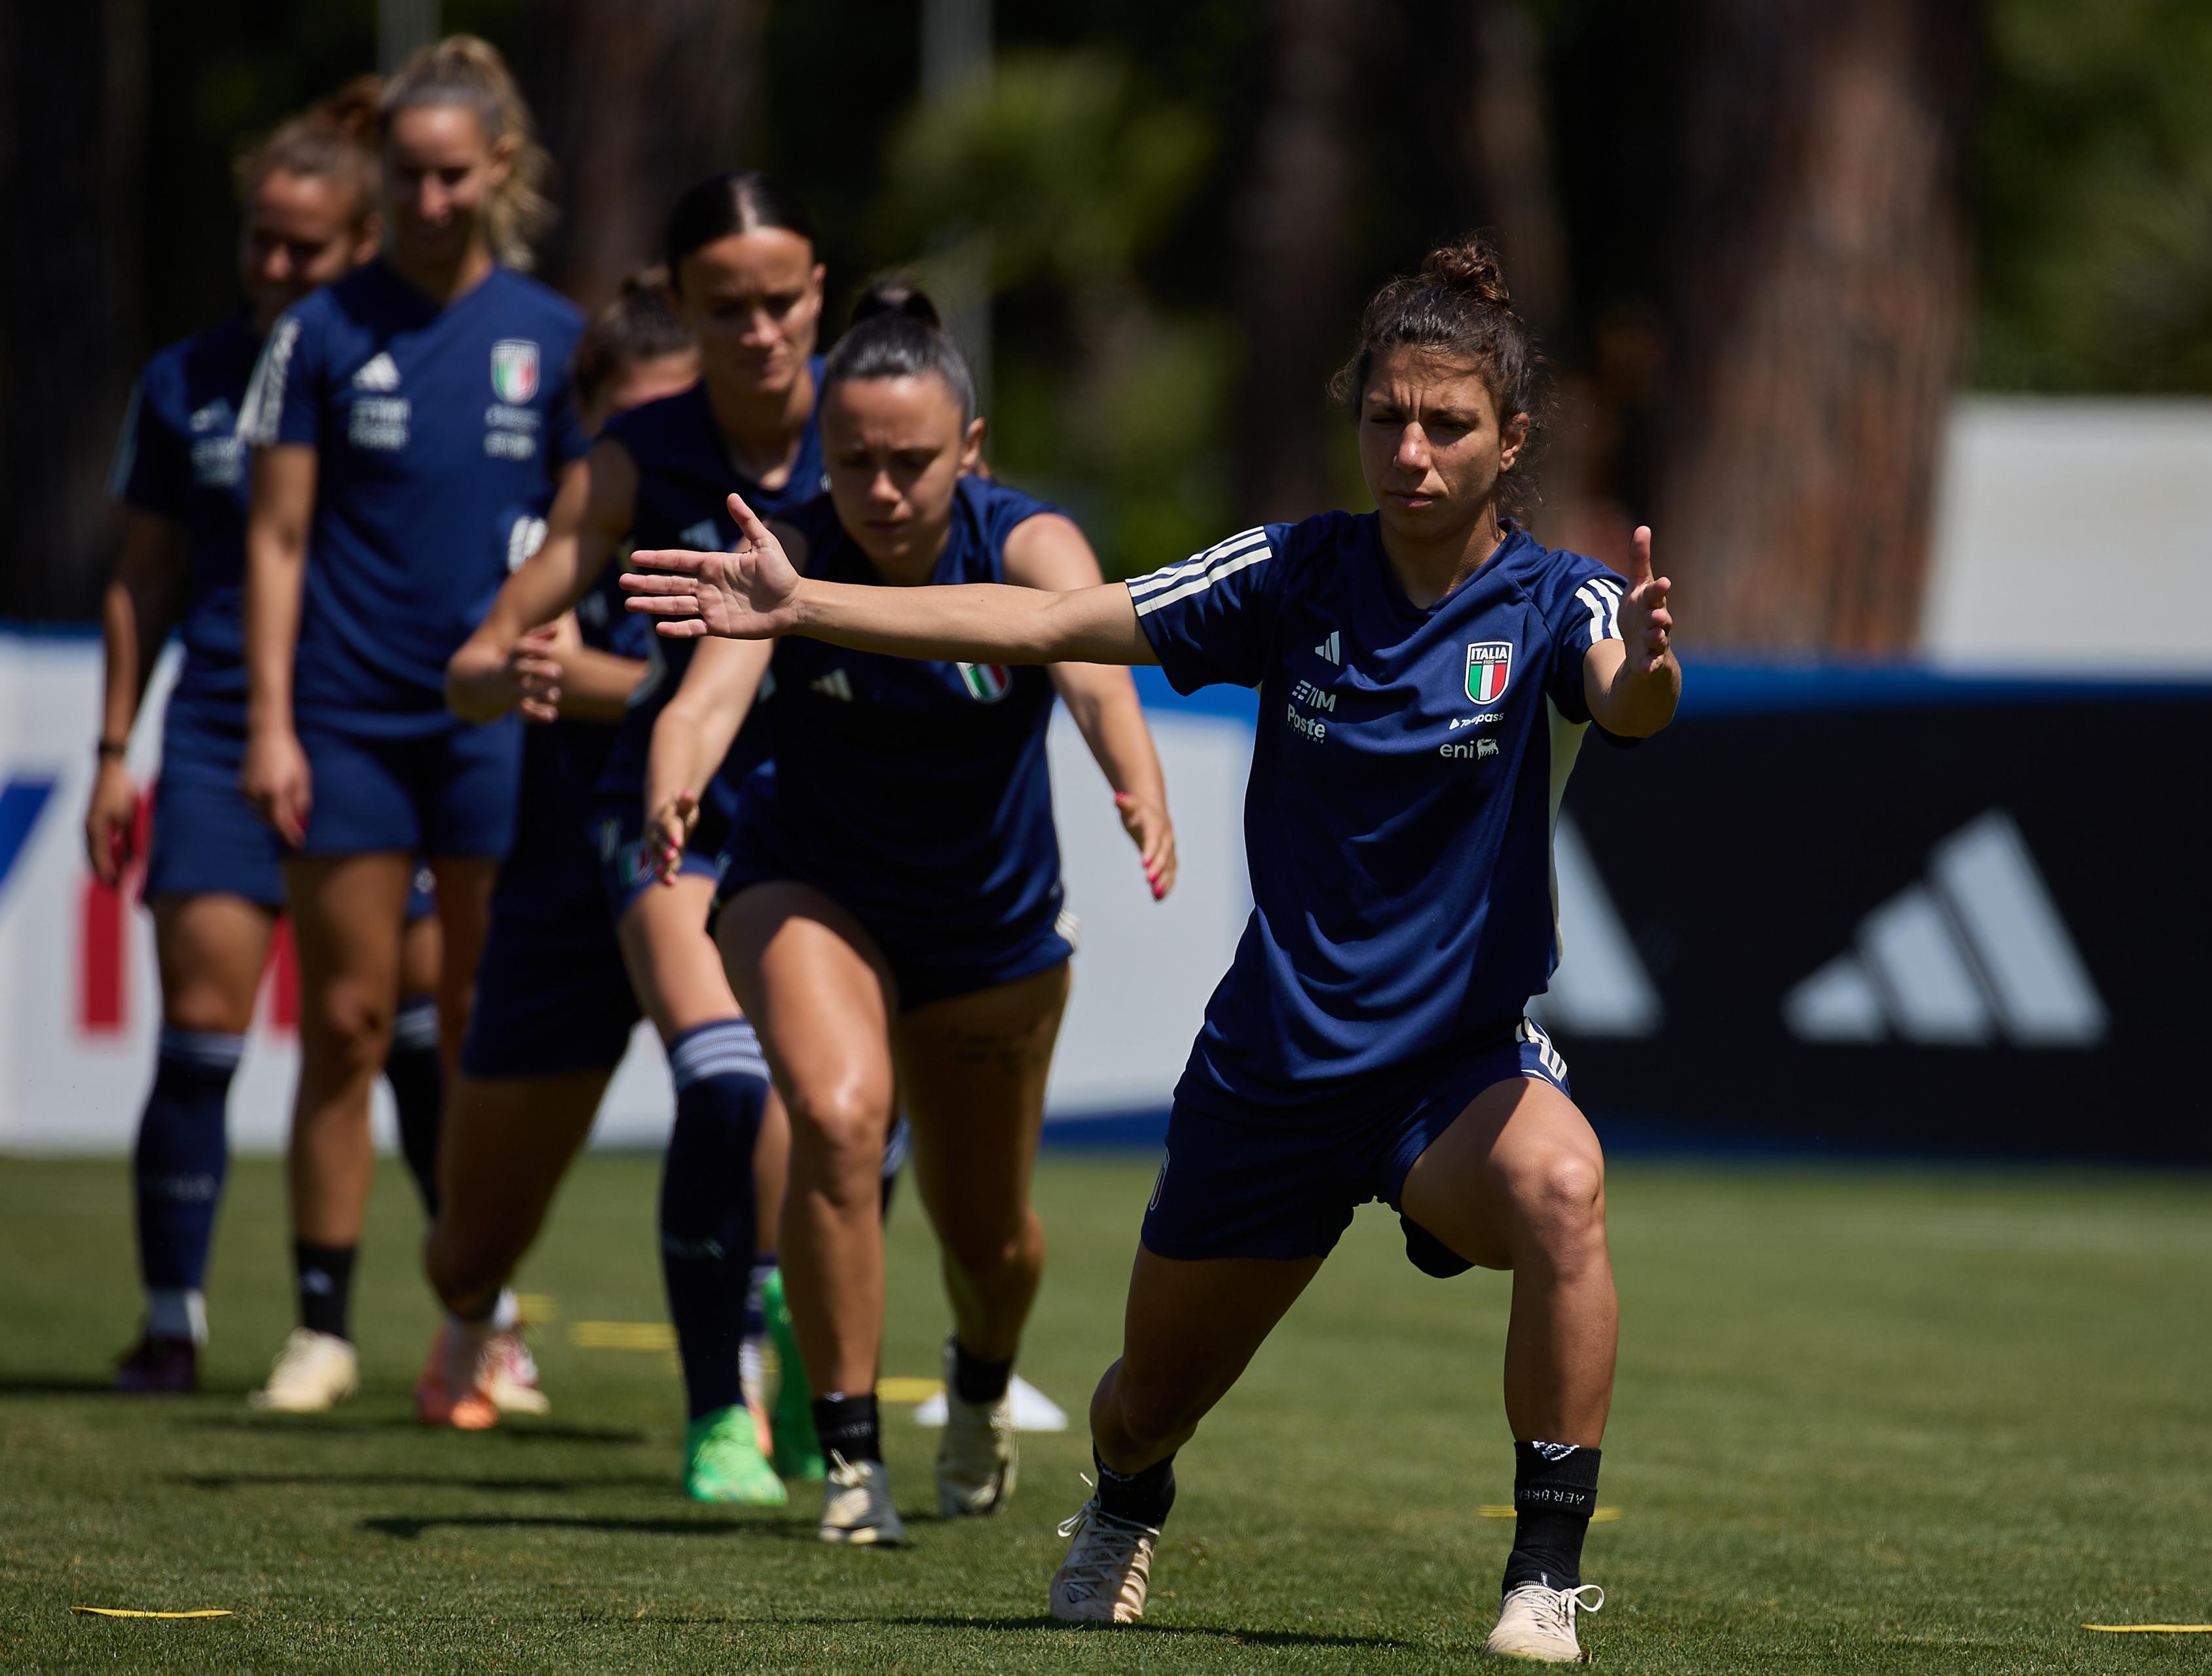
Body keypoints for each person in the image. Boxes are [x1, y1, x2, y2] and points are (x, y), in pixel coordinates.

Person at [623, 238, 1677, 1662]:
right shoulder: (1295, 573)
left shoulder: (1561, 599)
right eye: (1387, 418)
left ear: (1512, 440)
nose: (1411, 451)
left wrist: (1649, 676)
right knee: (1146, 1397)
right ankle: (1124, 1500)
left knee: (1563, 1184)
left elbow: (1626, 698)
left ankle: (1543, 1577)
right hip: (1275, 1071)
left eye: (1448, 425)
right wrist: (806, 603)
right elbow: (1054, 617)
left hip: (1453, 1074)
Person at [643, 280, 1175, 1544]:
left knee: (989, 1241)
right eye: (854, 461)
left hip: (990, 928)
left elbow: (1096, 666)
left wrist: (1135, 780)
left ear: (972, 452)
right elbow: (707, 700)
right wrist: (676, 774)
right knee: (834, 1118)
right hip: (808, 887)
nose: (880, 491)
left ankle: (982, 1379)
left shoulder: (1029, 542)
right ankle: (850, 1464)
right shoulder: (788, 552)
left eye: (912, 463)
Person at [442, 171, 828, 1504]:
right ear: (681, 304)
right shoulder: (635, 459)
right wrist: (490, 663)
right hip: (639, 827)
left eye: (783, 300)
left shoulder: (884, 432)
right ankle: (472, 1310)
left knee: (782, 1093)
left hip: (823, 830)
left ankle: (733, 1395)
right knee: (462, 1248)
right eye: (727, 306)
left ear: (819, 290)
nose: (761, 329)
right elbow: (495, 641)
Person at [235, 36, 582, 1413]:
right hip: (348, 715)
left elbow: (588, 532)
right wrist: (271, 720)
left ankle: (478, 1318)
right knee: (350, 1015)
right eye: (407, 175)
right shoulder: (316, 332)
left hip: (496, 723)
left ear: (495, 169)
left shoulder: (553, 340)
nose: (428, 200)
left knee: (488, 1025)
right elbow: (274, 537)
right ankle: (321, 1322)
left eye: (452, 176)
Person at [89, 77, 450, 1397]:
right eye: (262, 239)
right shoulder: (185, 381)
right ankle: (172, 1319)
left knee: (400, 1028)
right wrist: (115, 747)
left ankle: (474, 1308)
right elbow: (139, 577)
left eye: (307, 247)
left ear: (361, 248)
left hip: (368, 731)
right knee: (199, 1026)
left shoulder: (400, 364)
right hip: (217, 733)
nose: (278, 265)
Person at [414, 272, 699, 1433]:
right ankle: (472, 1316)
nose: (661, 445)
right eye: (633, 421)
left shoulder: (769, 527)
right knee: (465, 1241)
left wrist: (608, 689)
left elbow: (766, 695)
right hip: (559, 884)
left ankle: (746, 1371)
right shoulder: (559, 530)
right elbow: (473, 675)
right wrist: (510, 675)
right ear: (588, 422)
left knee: (746, 1093)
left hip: (709, 864)